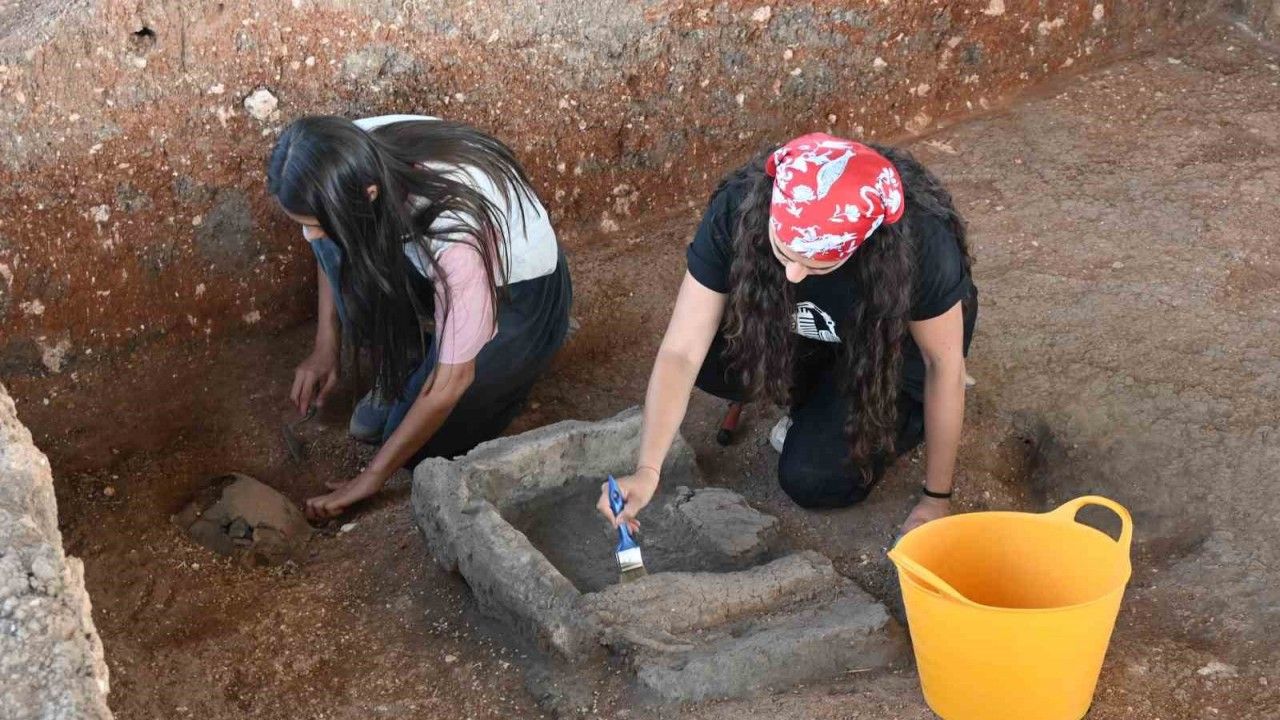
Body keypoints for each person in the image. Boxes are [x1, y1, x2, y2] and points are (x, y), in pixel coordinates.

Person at [596, 133, 976, 538]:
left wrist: (937, 498)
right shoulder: (740, 206)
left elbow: (943, 366)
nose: (793, 274)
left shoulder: (920, 244)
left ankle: (895, 413)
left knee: (814, 479)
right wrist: (648, 470)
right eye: (784, 252)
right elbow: (682, 350)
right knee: (712, 358)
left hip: (887, 346)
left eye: (815, 264)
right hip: (812, 328)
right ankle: (813, 399)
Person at [267, 114, 572, 519]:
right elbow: (330, 248)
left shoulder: (457, 238)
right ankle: (414, 360)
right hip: (431, 264)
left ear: (368, 195)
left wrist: (372, 477)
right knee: (335, 241)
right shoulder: (339, 157)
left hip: (518, 293)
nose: (311, 235)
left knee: (420, 450)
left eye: (316, 225)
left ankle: (512, 361)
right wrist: (326, 347)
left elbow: (451, 384)